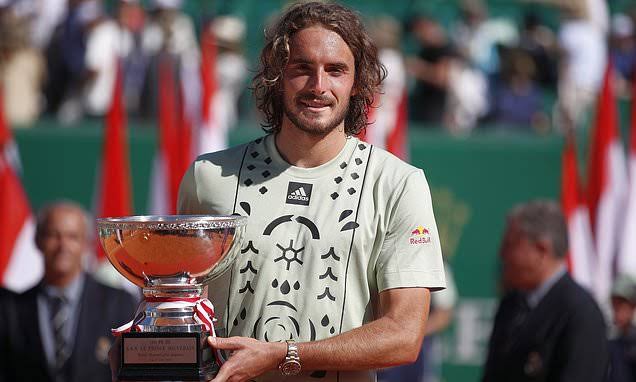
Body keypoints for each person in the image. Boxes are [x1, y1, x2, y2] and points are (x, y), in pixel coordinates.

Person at [177, 2, 447, 381]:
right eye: (302, 69)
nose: (318, 86)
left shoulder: (399, 183)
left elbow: (403, 335)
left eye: (335, 70)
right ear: (276, 76)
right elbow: (179, 306)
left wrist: (281, 355)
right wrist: (146, 354)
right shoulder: (208, 177)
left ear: (358, 83)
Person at [2, 201, 136, 382]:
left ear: (86, 243)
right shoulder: (11, 310)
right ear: (37, 241)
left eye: (72, 237)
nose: (62, 246)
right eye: (53, 235)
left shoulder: (119, 303)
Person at [482, 200, 608, 382]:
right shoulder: (511, 303)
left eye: (510, 245)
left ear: (541, 250)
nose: (502, 254)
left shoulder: (581, 313)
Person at [608, 274, 636, 382]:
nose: (617, 311)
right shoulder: (609, 341)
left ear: (633, 306)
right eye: (615, 305)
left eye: (622, 305)